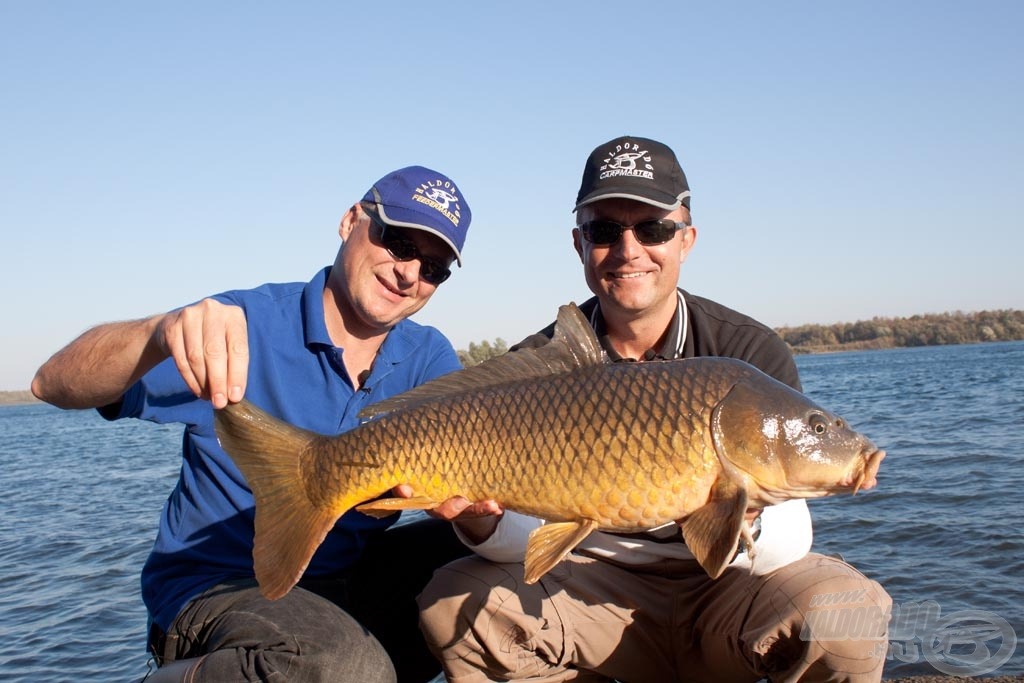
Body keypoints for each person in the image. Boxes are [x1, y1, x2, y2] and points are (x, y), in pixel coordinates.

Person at [415, 137, 892, 682]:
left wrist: (746, 517)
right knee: (456, 601)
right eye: (604, 230)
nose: (629, 249)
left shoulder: (749, 355)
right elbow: (516, 541)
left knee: (847, 616)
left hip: (723, 597)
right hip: (585, 589)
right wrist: (480, 524)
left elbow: (779, 546)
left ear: (686, 239)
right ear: (579, 243)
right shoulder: (536, 366)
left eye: (653, 229)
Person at [31, 165, 477, 683]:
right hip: (216, 585)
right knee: (345, 666)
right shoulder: (239, 326)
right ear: (351, 220)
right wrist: (159, 333)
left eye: (434, 268)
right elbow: (51, 383)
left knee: (491, 562)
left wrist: (480, 517)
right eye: (398, 242)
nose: (409, 274)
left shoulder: (429, 357)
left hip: (342, 578)